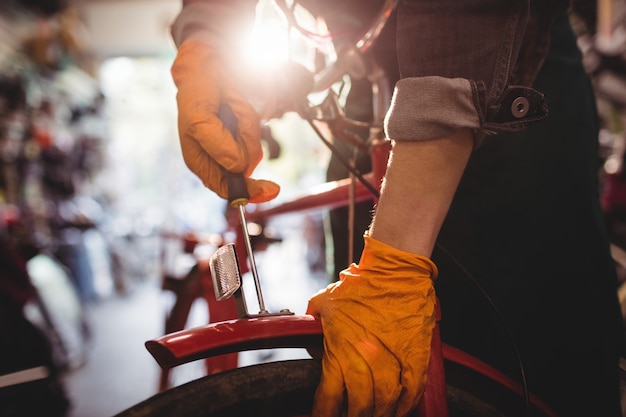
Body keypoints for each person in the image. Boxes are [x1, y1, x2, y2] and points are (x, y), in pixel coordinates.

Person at [169, 1, 625, 416]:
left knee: (543, 357)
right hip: (367, 81)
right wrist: (209, 36)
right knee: (366, 363)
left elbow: (465, 19)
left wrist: (392, 268)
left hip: (508, 72)